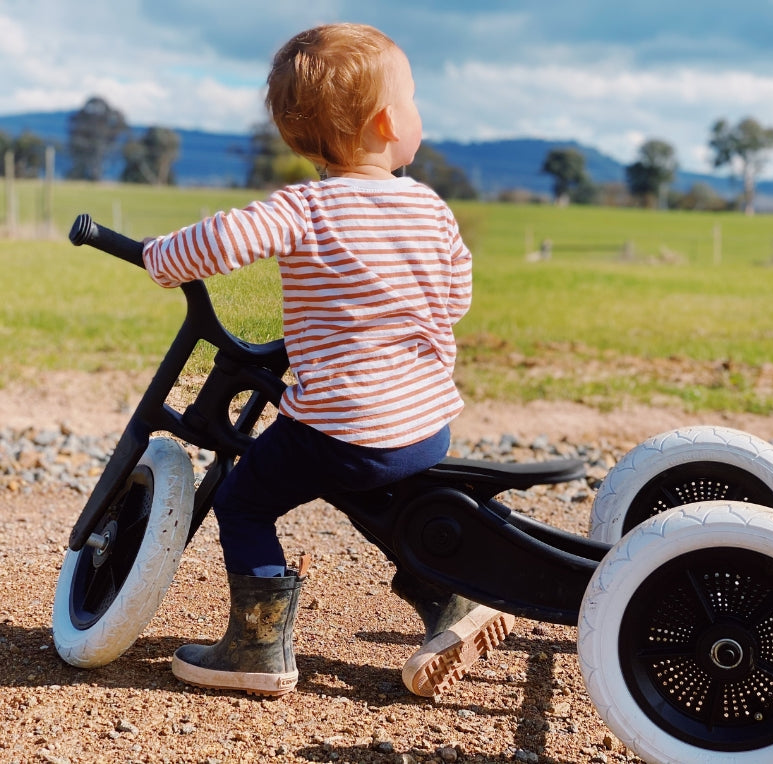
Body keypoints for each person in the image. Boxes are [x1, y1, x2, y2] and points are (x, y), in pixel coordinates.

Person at [142, 22, 515, 698]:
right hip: (425, 423)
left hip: (342, 424)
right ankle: (450, 602)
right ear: (387, 122)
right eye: (415, 99)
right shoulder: (429, 208)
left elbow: (223, 240)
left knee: (246, 499)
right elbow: (455, 296)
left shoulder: (306, 207)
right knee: (374, 494)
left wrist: (159, 257)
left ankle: (258, 651)